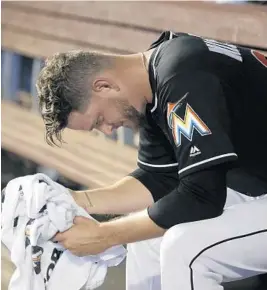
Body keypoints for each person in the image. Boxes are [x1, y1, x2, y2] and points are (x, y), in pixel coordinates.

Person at [36, 31, 267, 290]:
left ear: (104, 86)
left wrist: (104, 235)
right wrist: (73, 200)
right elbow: (158, 178)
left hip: (252, 189)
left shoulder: (181, 76)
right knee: (146, 239)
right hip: (255, 185)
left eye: (99, 119)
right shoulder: (153, 80)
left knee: (186, 249)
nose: (108, 129)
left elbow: (203, 197)